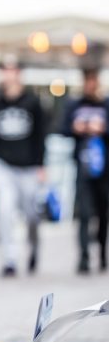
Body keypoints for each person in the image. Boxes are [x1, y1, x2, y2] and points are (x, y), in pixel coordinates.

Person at [0, 55, 47, 277]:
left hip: (28, 166)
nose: (8, 75)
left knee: (31, 214)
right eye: (4, 70)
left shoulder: (32, 102)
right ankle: (9, 259)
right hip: (2, 165)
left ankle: (34, 247)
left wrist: (41, 165)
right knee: (5, 207)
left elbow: (41, 135)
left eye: (12, 70)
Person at [60, 66, 109, 274]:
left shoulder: (106, 104)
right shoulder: (74, 104)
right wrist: (75, 128)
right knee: (84, 213)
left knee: (103, 214)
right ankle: (83, 257)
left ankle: (102, 254)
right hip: (82, 168)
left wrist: (103, 128)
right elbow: (61, 128)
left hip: (104, 169)